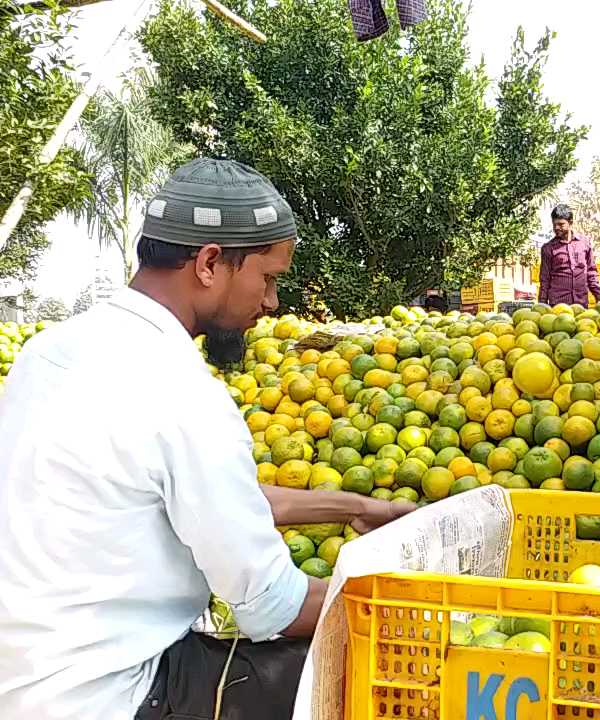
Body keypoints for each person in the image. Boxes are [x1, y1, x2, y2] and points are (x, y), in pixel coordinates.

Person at [0, 159, 414, 720]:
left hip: (25, 685)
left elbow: (209, 500)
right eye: (267, 279)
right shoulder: (181, 391)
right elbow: (272, 606)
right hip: (118, 696)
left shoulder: (47, 353)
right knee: (343, 665)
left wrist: (356, 506)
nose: (270, 304)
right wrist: (408, 596)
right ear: (211, 262)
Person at [538, 203, 600, 307]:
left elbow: (591, 271)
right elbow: (545, 278)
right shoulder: (548, 248)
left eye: (561, 224)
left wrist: (598, 297)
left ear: (570, 222)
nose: (556, 227)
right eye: (554, 224)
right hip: (558, 306)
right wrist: (542, 304)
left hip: (581, 304)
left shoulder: (584, 243)